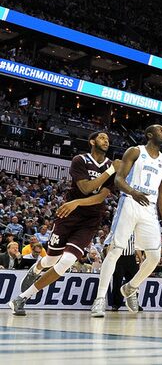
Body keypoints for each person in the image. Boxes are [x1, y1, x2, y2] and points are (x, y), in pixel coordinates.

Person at [7, 132, 118, 316]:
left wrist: (78, 202)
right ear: (92, 141)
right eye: (102, 138)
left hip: (90, 219)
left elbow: (101, 196)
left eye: (108, 139)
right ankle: (37, 268)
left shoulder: (111, 166)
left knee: (66, 260)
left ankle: (22, 298)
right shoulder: (80, 160)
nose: (106, 141)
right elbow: (85, 188)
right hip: (68, 214)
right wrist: (110, 171)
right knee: (51, 259)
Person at [91, 124, 162, 318]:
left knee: (154, 257)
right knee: (115, 251)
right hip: (129, 202)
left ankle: (130, 287)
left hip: (149, 208)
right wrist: (133, 192)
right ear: (149, 134)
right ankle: (100, 299)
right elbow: (119, 180)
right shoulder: (135, 151)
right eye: (161, 130)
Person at [110, 235, 140, 312]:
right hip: (119, 258)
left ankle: (135, 303)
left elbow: (137, 247)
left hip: (131, 258)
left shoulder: (134, 232)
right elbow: (110, 245)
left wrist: (141, 259)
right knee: (117, 281)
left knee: (134, 282)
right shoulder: (118, 229)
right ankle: (116, 304)